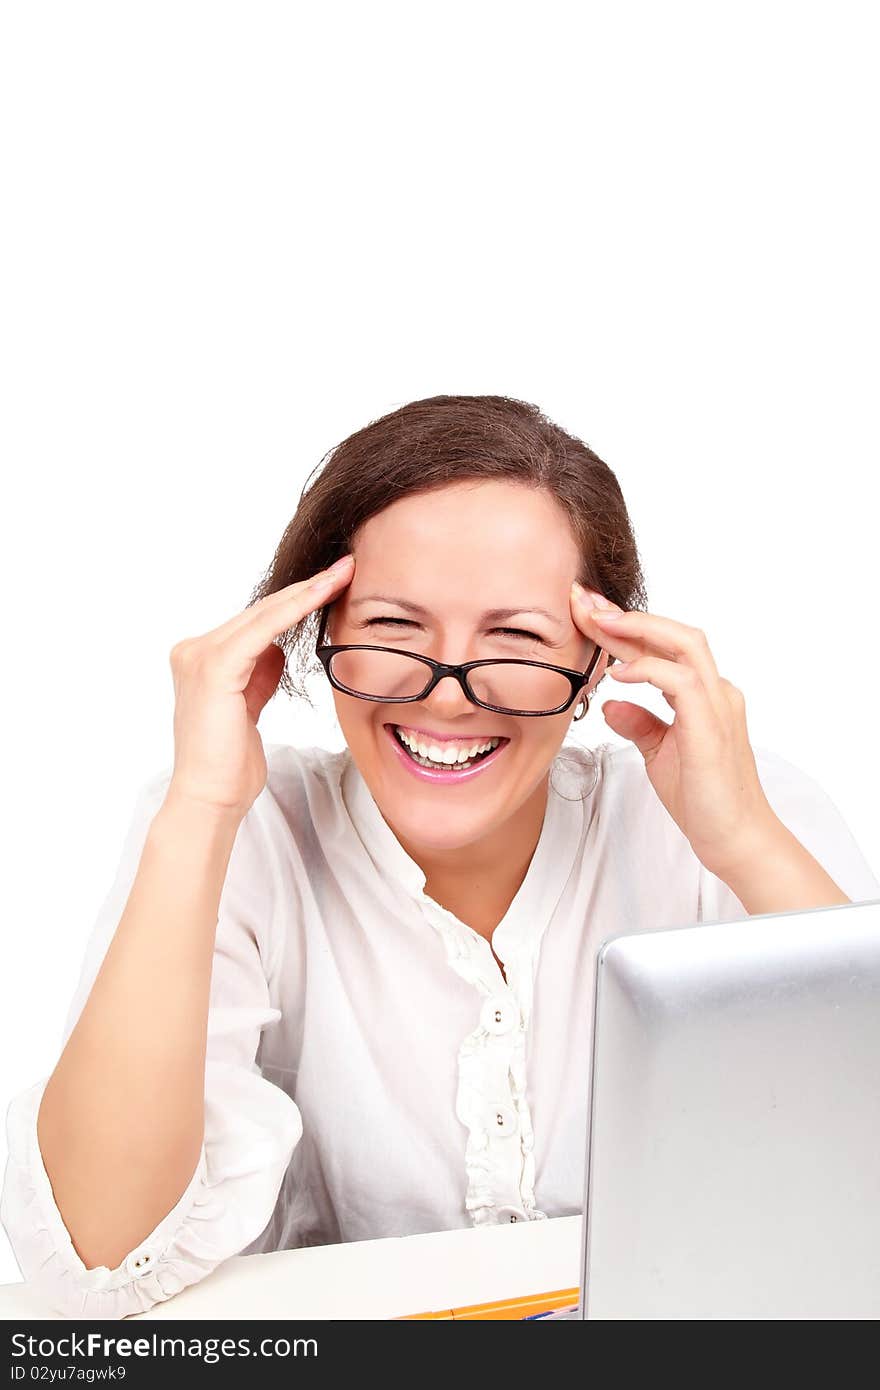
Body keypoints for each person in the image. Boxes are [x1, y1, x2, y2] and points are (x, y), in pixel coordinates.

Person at [2, 395, 878, 1320]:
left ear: (598, 664)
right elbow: (96, 1265)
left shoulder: (729, 807)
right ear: (314, 632)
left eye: (517, 640)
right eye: (393, 628)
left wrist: (743, 840)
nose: (448, 694)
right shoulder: (239, 830)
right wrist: (198, 808)